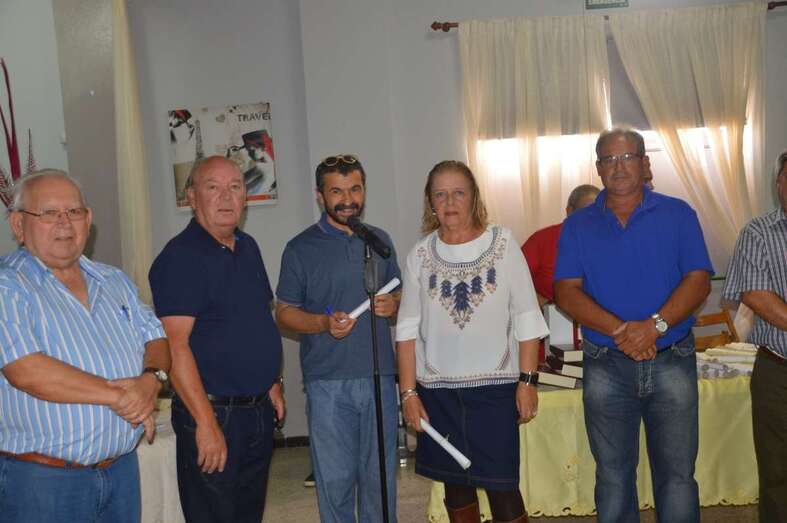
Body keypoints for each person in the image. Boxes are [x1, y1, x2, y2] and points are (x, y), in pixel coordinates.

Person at [554, 128, 713, 522]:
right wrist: (623, 331)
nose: (619, 166)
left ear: (645, 163)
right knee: (612, 477)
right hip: (605, 363)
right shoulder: (577, 225)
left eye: (627, 157)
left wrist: (654, 326)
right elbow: (566, 292)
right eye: (609, 159)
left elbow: (698, 280)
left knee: (677, 476)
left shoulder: (679, 214)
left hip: (671, 358)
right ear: (598, 168)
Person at [0, 170, 170, 523]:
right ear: (18, 225)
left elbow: (156, 337)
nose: (64, 222)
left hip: (121, 471)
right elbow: (25, 370)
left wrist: (150, 380)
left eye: (74, 212)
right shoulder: (8, 286)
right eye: (48, 213)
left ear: (88, 220)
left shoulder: (114, 280)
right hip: (43, 482)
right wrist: (123, 397)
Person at [396, 160, 549, 523]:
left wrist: (527, 382)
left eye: (458, 193)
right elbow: (406, 331)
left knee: (503, 489)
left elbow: (527, 318)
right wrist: (409, 394)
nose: (450, 202)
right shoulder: (420, 255)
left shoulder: (504, 245)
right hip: (438, 395)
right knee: (456, 488)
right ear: (430, 202)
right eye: (440, 194)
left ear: (474, 197)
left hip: (495, 393)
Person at [149, 156, 284, 523]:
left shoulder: (248, 246)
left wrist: (270, 382)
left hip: (257, 412)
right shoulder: (180, 258)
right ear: (192, 197)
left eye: (235, 187)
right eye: (213, 187)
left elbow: (256, 319)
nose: (226, 197)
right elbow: (175, 346)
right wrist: (206, 424)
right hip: (213, 414)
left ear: (245, 197)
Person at [276, 154, 400, 522]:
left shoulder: (380, 240)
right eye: (337, 192)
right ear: (320, 196)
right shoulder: (299, 248)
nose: (348, 200)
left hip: (380, 377)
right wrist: (322, 323)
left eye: (355, 189)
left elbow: (399, 292)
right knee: (335, 481)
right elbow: (284, 312)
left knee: (380, 480)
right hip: (327, 383)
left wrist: (394, 303)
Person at [722, 150, 787, 522]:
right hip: (779, 372)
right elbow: (757, 297)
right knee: (778, 472)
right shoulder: (758, 233)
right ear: (779, 184)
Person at [521, 184, 600, 306]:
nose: (592, 220)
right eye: (585, 213)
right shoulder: (542, 239)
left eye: (598, 214)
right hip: (549, 312)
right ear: (569, 211)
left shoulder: (609, 241)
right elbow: (513, 280)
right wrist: (537, 303)